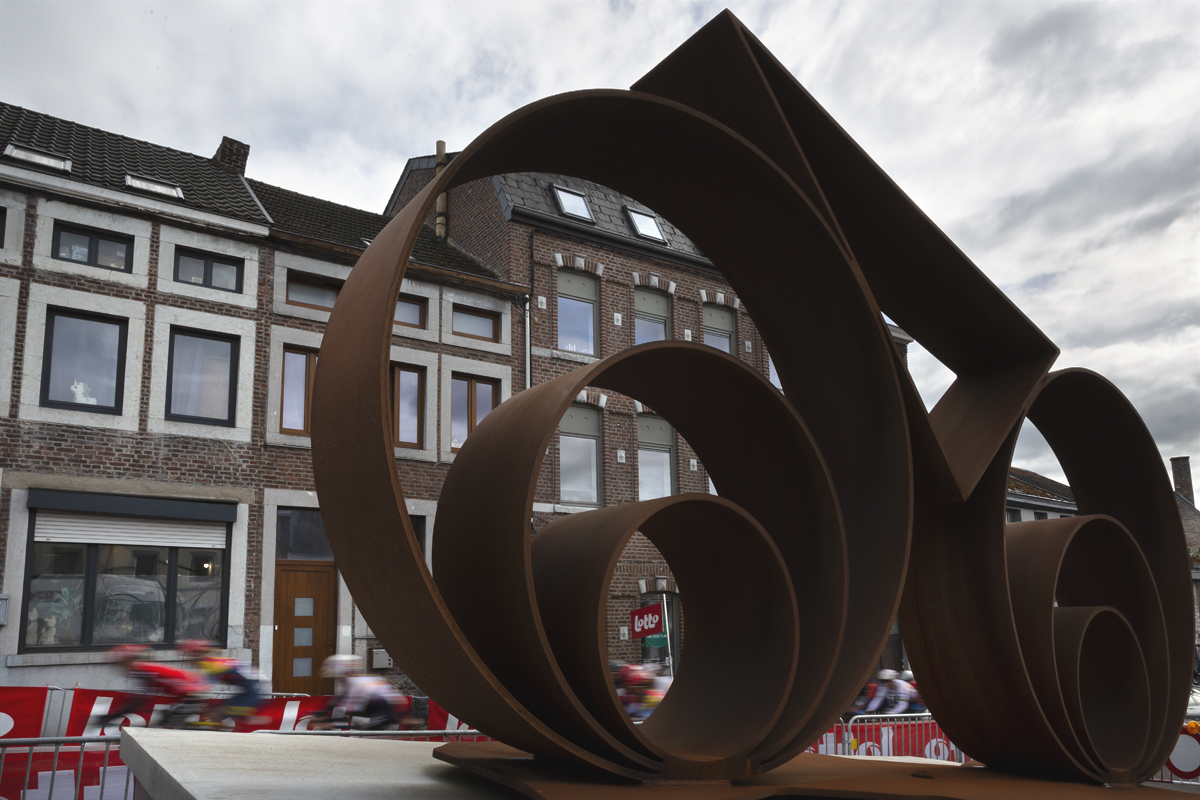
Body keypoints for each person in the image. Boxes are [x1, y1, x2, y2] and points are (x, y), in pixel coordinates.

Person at [92, 644, 209, 730]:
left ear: (127, 660)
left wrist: (111, 717)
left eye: (119, 663)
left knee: (162, 728)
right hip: (188, 695)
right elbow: (141, 699)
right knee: (160, 725)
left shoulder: (141, 670)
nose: (120, 667)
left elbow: (136, 701)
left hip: (190, 697)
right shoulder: (144, 669)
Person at [189, 641, 266, 728]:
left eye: (192, 659)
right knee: (215, 712)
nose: (191, 663)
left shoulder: (210, 664)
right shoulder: (215, 662)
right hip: (252, 691)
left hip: (251, 693)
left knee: (215, 713)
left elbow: (203, 683)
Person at [314, 654, 402, 730]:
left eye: (339, 678)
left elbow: (348, 711)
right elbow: (339, 701)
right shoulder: (355, 682)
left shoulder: (358, 684)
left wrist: (328, 720)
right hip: (377, 717)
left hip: (382, 718)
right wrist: (323, 714)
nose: (340, 681)